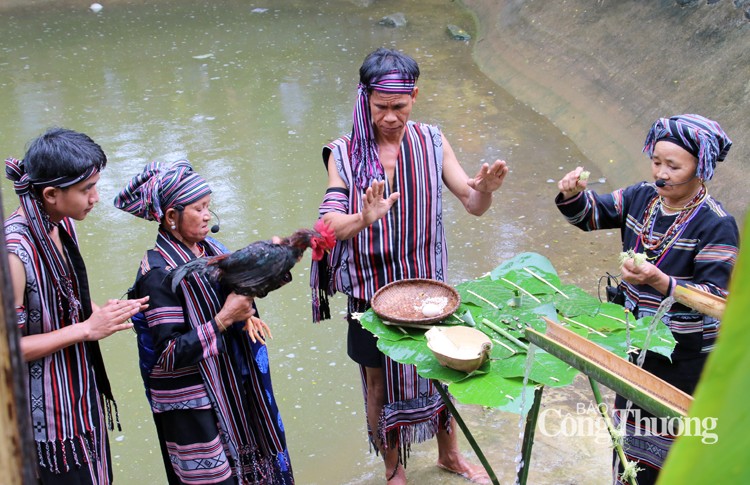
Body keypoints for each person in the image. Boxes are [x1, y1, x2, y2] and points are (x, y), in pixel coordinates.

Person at [310, 48, 509, 484]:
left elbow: (472, 203)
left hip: (429, 290)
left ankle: (449, 456)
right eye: (381, 107)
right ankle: (393, 469)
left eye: (399, 106)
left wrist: (487, 190)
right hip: (369, 293)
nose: (390, 117)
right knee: (377, 382)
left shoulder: (433, 141)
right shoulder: (343, 153)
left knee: (442, 370)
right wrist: (363, 218)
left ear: (414, 96)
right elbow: (327, 227)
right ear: (365, 99)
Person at [555, 114, 739, 484]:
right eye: (657, 162)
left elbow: (717, 300)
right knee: (630, 444)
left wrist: (661, 281)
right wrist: (573, 195)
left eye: (673, 166)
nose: (662, 173)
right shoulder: (642, 198)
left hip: (685, 356)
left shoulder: (716, 223)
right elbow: (591, 215)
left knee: (678, 447)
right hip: (637, 343)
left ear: (700, 168)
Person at [114, 160, 294, 484]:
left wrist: (269, 268)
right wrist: (225, 319)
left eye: (208, 206)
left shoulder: (210, 248)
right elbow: (168, 354)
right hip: (195, 404)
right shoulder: (157, 276)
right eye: (199, 209)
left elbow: (238, 289)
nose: (208, 215)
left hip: (231, 384)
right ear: (171, 217)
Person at [4, 128, 149, 484]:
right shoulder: (13, 254)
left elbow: (62, 300)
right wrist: (87, 329)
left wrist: (101, 314)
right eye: (87, 189)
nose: (96, 198)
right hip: (45, 424)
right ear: (51, 194)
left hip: (79, 399)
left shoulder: (61, 223)